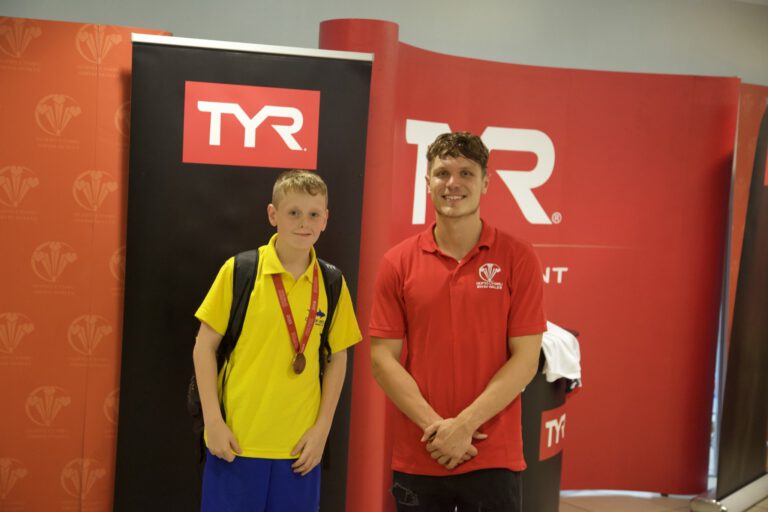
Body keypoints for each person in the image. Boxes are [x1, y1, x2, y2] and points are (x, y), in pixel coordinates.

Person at [370, 132, 546, 511]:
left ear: (485, 182)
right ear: (427, 182)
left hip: (492, 455)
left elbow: (526, 358)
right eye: (442, 173)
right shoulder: (397, 262)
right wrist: (438, 430)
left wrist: (464, 426)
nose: (453, 183)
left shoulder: (518, 258)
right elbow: (382, 359)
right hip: (421, 450)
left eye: (466, 173)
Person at [193, 169, 362, 512]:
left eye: (313, 214)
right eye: (293, 212)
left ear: (325, 219)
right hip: (236, 443)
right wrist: (213, 422)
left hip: (299, 451)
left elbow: (338, 357)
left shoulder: (331, 281)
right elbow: (204, 346)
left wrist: (322, 430)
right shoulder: (240, 270)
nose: (304, 223)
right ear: (273, 215)